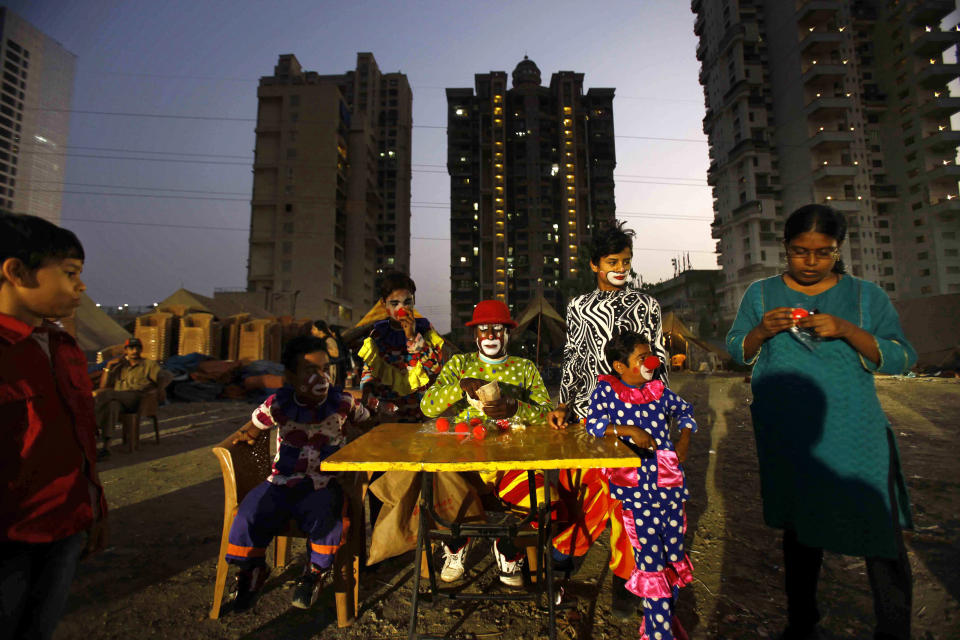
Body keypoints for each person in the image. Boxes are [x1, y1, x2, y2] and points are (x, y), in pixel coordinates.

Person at [726, 204, 917, 640]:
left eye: (823, 252)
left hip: (857, 435)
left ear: (838, 250)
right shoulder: (759, 295)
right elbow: (737, 349)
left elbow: (904, 357)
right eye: (799, 252)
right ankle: (802, 624)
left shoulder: (868, 297)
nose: (810, 262)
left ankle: (893, 630)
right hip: (793, 438)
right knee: (801, 533)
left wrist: (849, 331)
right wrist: (761, 331)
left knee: (878, 530)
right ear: (785, 249)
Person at [546, 220, 668, 616]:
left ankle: (625, 579)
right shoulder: (579, 307)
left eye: (627, 261)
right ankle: (564, 552)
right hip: (588, 412)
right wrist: (564, 404)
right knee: (579, 489)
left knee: (630, 501)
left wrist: (658, 407)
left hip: (636, 414)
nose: (621, 268)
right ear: (595, 264)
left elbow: (659, 359)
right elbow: (575, 360)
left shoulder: (647, 305)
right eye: (612, 261)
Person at [0, 212, 108, 640]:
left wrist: (94, 504)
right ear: (17, 272)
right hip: (9, 534)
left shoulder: (63, 346)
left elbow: (81, 436)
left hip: (65, 523)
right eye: (69, 273)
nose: (81, 286)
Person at [223, 336, 372, 612]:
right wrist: (246, 437)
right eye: (311, 371)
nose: (322, 377)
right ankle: (252, 571)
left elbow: (368, 423)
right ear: (291, 377)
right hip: (282, 481)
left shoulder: (342, 402)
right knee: (249, 514)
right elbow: (254, 426)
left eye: (325, 369)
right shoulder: (277, 404)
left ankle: (314, 573)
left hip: (324, 483)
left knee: (327, 519)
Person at [420, 299, 553, 585]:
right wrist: (458, 387)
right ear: (475, 335)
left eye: (498, 330)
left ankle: (509, 548)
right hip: (464, 466)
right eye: (484, 330)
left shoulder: (525, 368)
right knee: (441, 490)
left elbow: (547, 415)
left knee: (545, 502)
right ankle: (456, 545)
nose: (491, 336)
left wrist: (516, 407)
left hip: (512, 464)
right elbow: (427, 407)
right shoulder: (460, 363)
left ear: (508, 334)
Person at [586, 330, 696, 640]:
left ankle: (661, 622)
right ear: (620, 366)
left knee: (673, 557)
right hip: (636, 492)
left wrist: (684, 440)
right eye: (641, 358)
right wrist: (628, 430)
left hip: (671, 485)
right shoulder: (607, 392)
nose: (650, 361)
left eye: (649, 355)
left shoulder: (658, 390)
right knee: (651, 561)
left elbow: (685, 411)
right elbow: (593, 425)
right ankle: (659, 634)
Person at [359, 271, 445, 422]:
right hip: (388, 415)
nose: (402, 309)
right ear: (383, 304)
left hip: (420, 413)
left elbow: (435, 367)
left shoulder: (425, 329)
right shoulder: (378, 334)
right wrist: (372, 401)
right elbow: (369, 373)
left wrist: (412, 337)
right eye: (394, 303)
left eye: (407, 302)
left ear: (414, 301)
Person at [93, 337, 171, 457]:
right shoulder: (120, 366)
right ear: (126, 351)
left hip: (137, 399)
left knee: (102, 394)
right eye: (131, 348)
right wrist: (108, 366)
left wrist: (160, 390)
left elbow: (164, 376)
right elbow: (104, 385)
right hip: (119, 400)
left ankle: (92, 427)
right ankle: (106, 447)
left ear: (141, 350)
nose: (134, 351)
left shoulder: (148, 364)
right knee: (112, 406)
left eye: (137, 348)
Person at [311, 320, 345, 387]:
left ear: (320, 330)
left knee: (328, 387)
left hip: (329, 369)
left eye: (314, 329)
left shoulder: (329, 340)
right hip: (322, 369)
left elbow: (336, 354)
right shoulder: (319, 340)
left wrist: (324, 350)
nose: (312, 331)